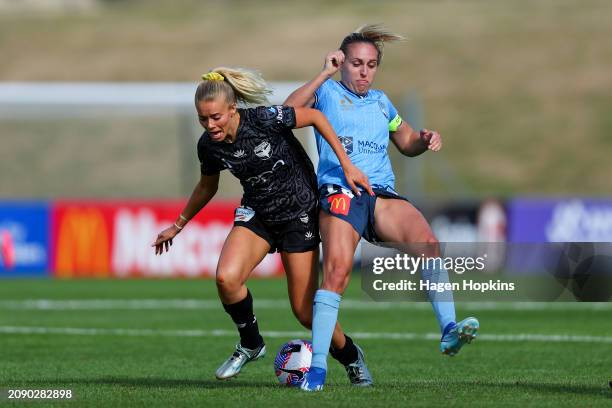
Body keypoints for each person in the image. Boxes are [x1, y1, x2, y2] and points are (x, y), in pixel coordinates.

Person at [284, 25, 480, 391]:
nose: (363, 71)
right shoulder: (326, 92)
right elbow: (287, 112)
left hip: (380, 195)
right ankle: (319, 368)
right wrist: (323, 71)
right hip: (340, 192)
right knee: (338, 273)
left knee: (428, 244)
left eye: (371, 65)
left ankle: (449, 330)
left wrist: (423, 138)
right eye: (356, 63)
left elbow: (404, 141)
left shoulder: (380, 101)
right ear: (342, 62)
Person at [152, 67, 375, 385]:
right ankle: (251, 343)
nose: (210, 125)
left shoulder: (264, 119)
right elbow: (206, 186)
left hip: (299, 213)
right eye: (203, 119)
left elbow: (315, 117)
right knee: (226, 278)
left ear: (232, 109)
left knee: (304, 313)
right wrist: (177, 225)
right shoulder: (209, 145)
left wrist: (347, 166)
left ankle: (352, 357)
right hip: (258, 213)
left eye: (216, 117)